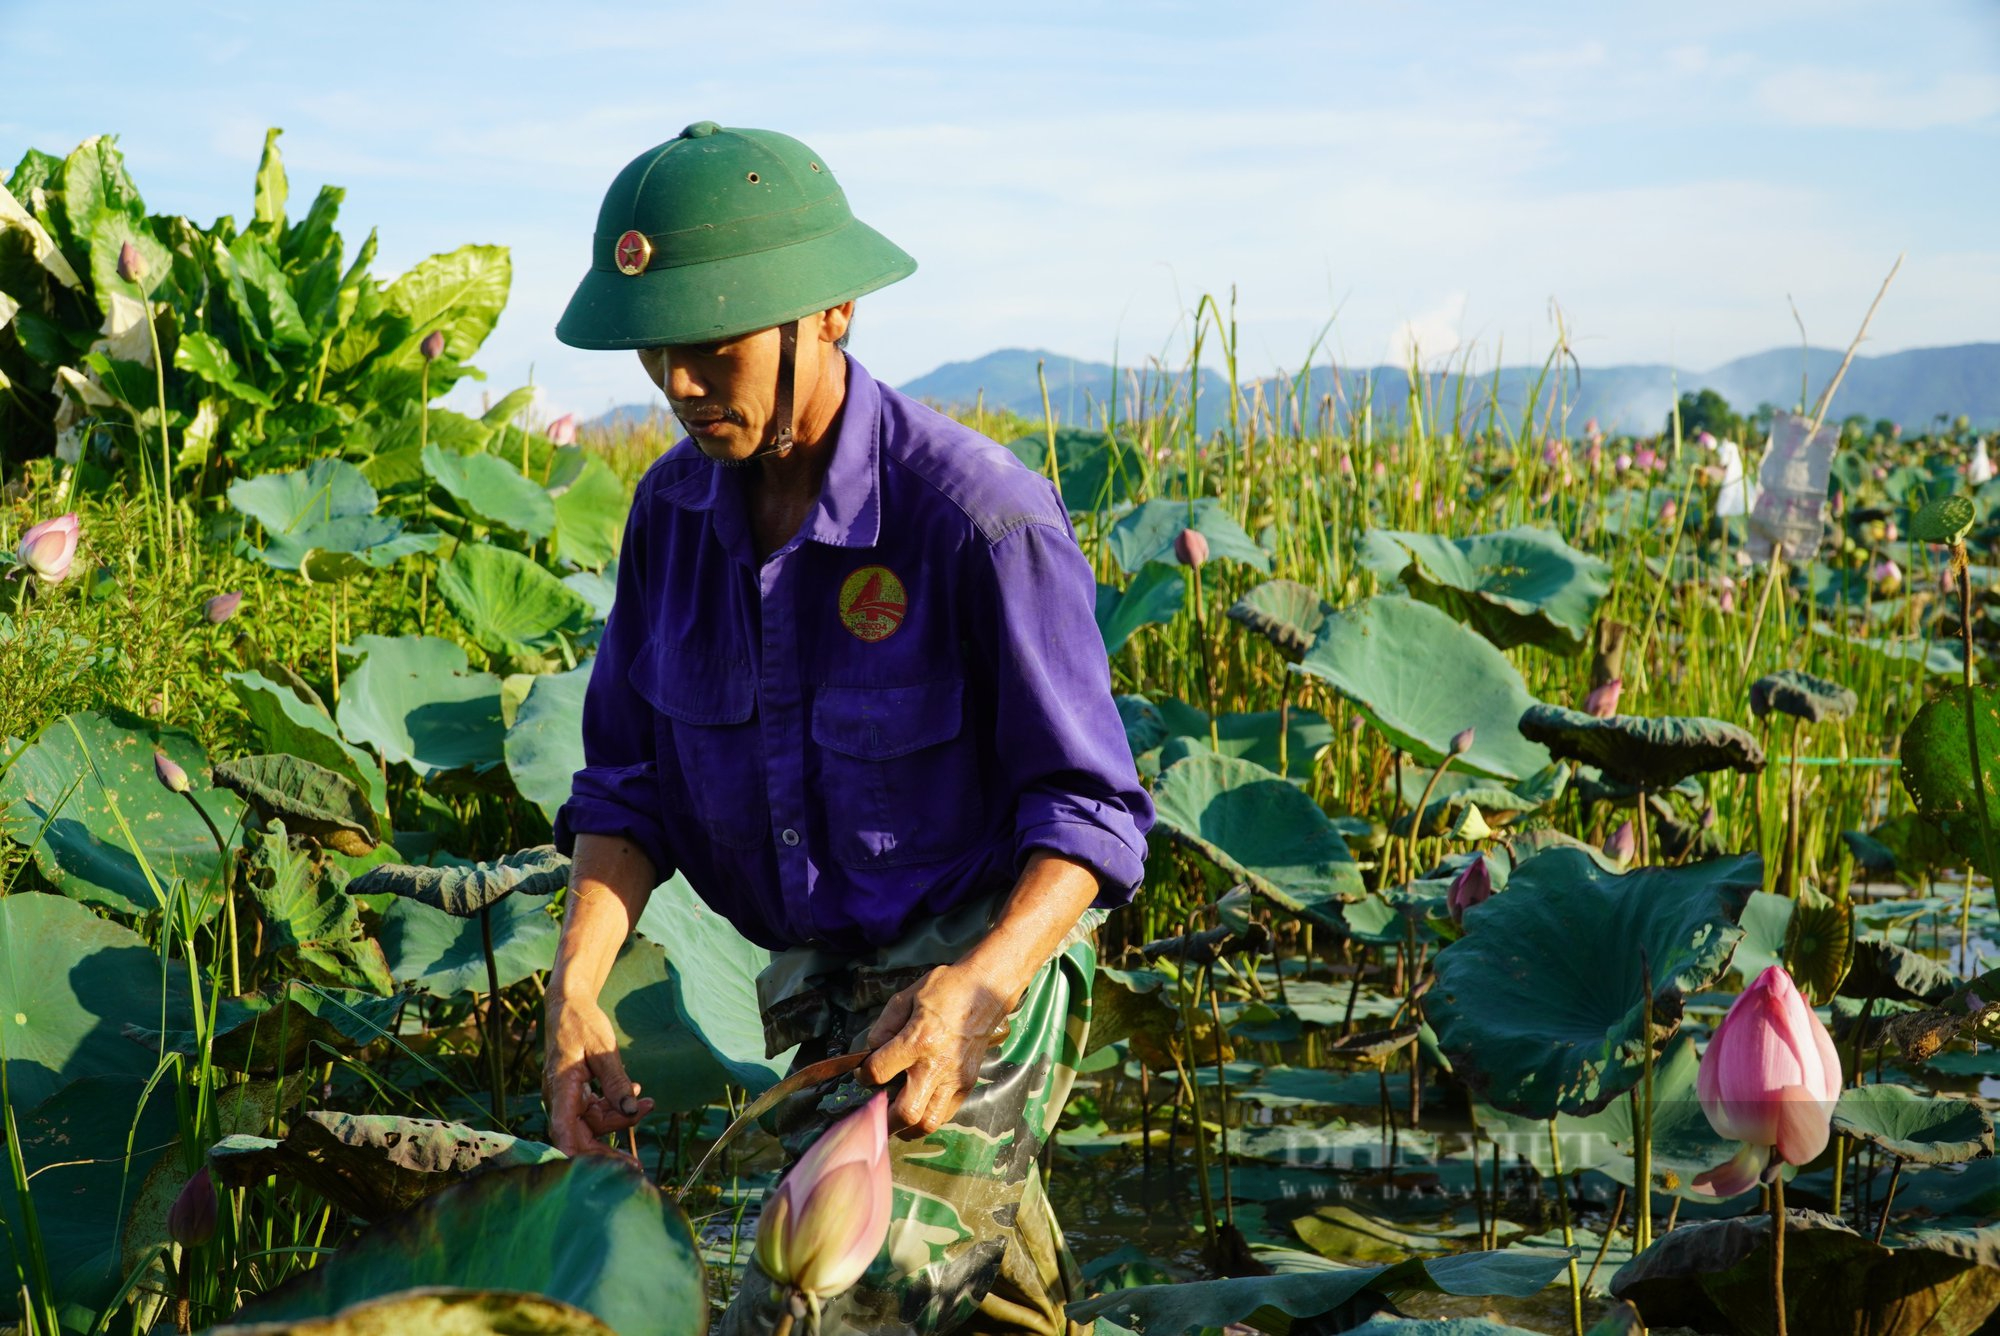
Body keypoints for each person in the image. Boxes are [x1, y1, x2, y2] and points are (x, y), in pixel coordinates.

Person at [540, 120, 1153, 1336]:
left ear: (830, 316)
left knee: (808, 1308)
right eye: (659, 349)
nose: (676, 384)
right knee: (973, 1307)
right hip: (815, 981)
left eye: (711, 347)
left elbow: (1088, 817)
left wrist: (973, 989)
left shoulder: (978, 521)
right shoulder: (667, 517)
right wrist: (574, 992)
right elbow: (626, 790)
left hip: (981, 960)